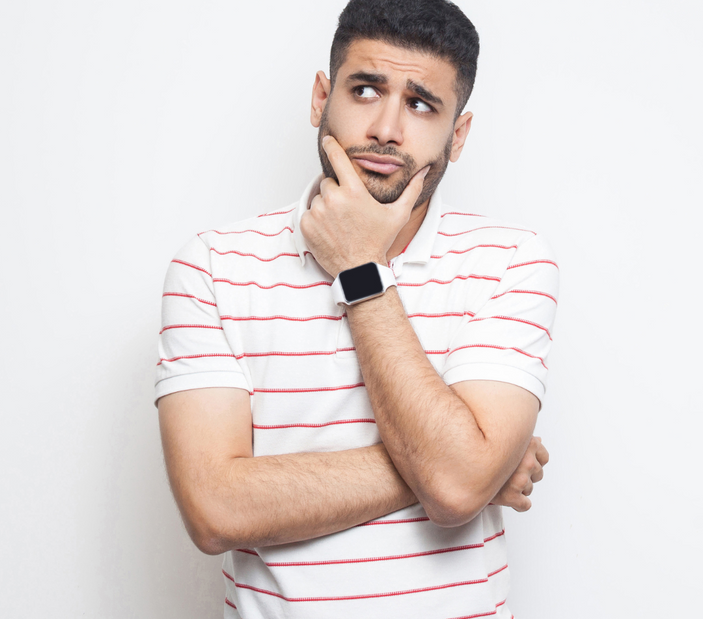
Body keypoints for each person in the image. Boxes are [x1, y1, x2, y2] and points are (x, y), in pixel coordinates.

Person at [155, 1, 558, 616]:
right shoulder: (212, 267)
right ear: (321, 98)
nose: (387, 129)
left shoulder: (512, 261)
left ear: (460, 133)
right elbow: (215, 511)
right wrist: (472, 466)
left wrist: (359, 271)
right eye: (366, 89)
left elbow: (455, 487)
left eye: (422, 104)